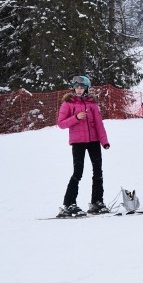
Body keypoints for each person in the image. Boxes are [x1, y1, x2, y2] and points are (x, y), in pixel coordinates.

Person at [56, 75, 111, 217]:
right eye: (77, 87)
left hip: (93, 141)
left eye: (82, 87)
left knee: (98, 171)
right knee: (78, 172)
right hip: (78, 142)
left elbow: (99, 124)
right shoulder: (68, 103)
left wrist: (104, 141)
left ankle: (97, 201)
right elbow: (61, 123)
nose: (79, 90)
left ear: (86, 88)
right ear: (74, 88)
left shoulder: (92, 103)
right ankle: (69, 204)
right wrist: (75, 118)